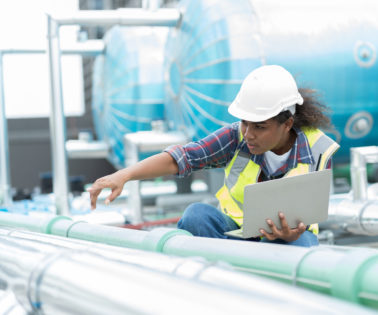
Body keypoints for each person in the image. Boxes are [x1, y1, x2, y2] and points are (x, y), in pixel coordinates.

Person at [88, 65, 339, 247]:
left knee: (302, 247)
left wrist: (288, 234)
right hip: (235, 234)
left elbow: (306, 221)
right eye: (245, 123)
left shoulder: (317, 150)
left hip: (289, 240)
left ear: (287, 124)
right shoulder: (235, 138)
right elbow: (184, 157)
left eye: (259, 127)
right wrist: (125, 175)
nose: (248, 134)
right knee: (196, 216)